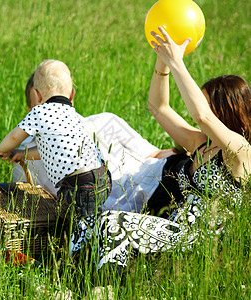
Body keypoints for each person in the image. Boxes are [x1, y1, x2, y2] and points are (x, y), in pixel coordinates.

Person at [69, 27, 250, 273]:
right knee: (89, 222)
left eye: (205, 100)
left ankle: (106, 290)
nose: (196, 105)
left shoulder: (240, 151)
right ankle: (76, 281)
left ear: (224, 109)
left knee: (112, 223)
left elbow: (201, 115)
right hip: (170, 231)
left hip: (197, 241)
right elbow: (158, 107)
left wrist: (177, 61)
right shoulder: (202, 144)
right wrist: (162, 61)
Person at [13, 73, 178, 211]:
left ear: (71, 97)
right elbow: (36, 207)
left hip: (155, 183)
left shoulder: (105, 121)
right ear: (31, 113)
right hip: (108, 214)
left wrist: (188, 151)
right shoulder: (26, 155)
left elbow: (155, 154)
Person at [0, 59, 112, 225]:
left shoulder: (39, 112)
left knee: (77, 228)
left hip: (78, 186)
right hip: (101, 177)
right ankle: (98, 240)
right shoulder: (71, 114)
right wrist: (21, 154)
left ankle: (81, 249)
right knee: (91, 221)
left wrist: (0, 149)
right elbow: (49, 151)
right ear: (71, 95)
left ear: (38, 95)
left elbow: (14, 137)